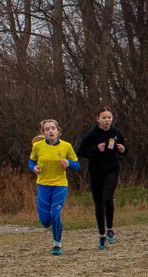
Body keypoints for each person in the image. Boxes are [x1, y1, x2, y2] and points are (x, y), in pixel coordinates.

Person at [76, 108, 127, 250]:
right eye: (104, 117)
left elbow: (124, 149)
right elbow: (81, 152)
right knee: (99, 204)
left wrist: (122, 150)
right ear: (98, 119)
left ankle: (110, 229)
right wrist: (95, 149)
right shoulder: (92, 134)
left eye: (109, 117)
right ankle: (102, 236)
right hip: (96, 172)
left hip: (112, 170)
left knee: (107, 198)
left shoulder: (115, 132)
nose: (107, 120)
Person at [29, 118, 79, 255]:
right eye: (47, 129)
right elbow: (31, 162)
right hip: (43, 185)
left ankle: (57, 245)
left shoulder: (66, 146)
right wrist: (34, 168)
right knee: (45, 222)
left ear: (58, 131)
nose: (50, 131)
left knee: (55, 215)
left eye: (53, 128)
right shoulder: (37, 146)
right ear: (43, 132)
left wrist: (69, 163)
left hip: (60, 185)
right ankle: (50, 224)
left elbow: (77, 165)